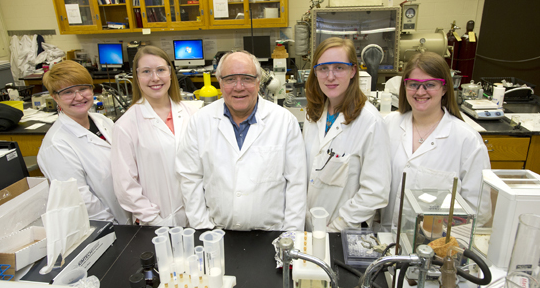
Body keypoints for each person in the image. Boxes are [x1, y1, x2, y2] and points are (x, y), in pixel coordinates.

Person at [176, 51, 307, 231]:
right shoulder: (200, 122)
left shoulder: (284, 122)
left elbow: (297, 184)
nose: (239, 87)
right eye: (230, 79)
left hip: (272, 234)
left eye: (247, 78)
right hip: (216, 232)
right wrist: (203, 229)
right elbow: (190, 179)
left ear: (258, 82)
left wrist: (290, 236)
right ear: (219, 82)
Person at [382, 51, 491, 228]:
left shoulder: (467, 140)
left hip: (435, 246)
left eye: (430, 84)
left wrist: (440, 241)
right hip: (385, 239)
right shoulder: (388, 125)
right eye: (413, 84)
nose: (420, 91)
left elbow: (478, 211)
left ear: (445, 88)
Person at [304, 37, 391, 231]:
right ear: (315, 72)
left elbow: (375, 192)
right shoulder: (314, 114)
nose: (330, 76)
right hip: (310, 226)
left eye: (339, 67)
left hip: (343, 233)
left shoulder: (370, 122)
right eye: (323, 68)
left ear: (353, 71)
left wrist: (337, 226)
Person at [37, 60, 131, 224]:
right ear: (55, 97)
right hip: (104, 227)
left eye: (83, 88)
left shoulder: (102, 121)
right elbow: (81, 199)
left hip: (128, 216)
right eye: (68, 92)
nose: (79, 97)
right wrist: (113, 227)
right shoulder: (57, 145)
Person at [111, 46, 195, 226]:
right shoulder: (126, 125)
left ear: (170, 73)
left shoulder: (189, 113)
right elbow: (125, 185)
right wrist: (154, 220)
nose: (155, 78)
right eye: (146, 71)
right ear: (137, 77)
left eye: (161, 70)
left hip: (195, 216)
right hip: (157, 222)